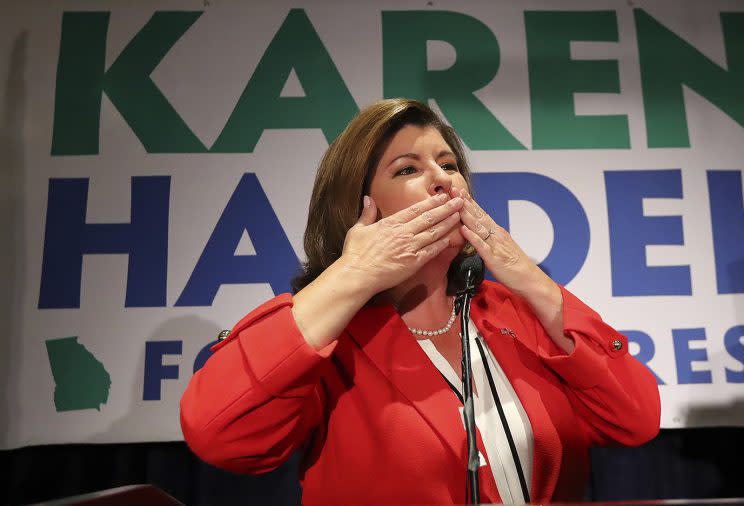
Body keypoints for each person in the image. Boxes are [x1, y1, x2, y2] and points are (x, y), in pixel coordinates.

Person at [180, 98, 660, 505]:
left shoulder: (514, 313)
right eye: (408, 169)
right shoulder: (329, 337)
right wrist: (354, 274)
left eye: (449, 165)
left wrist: (528, 278)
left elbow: (634, 421)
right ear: (360, 207)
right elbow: (219, 434)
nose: (443, 180)